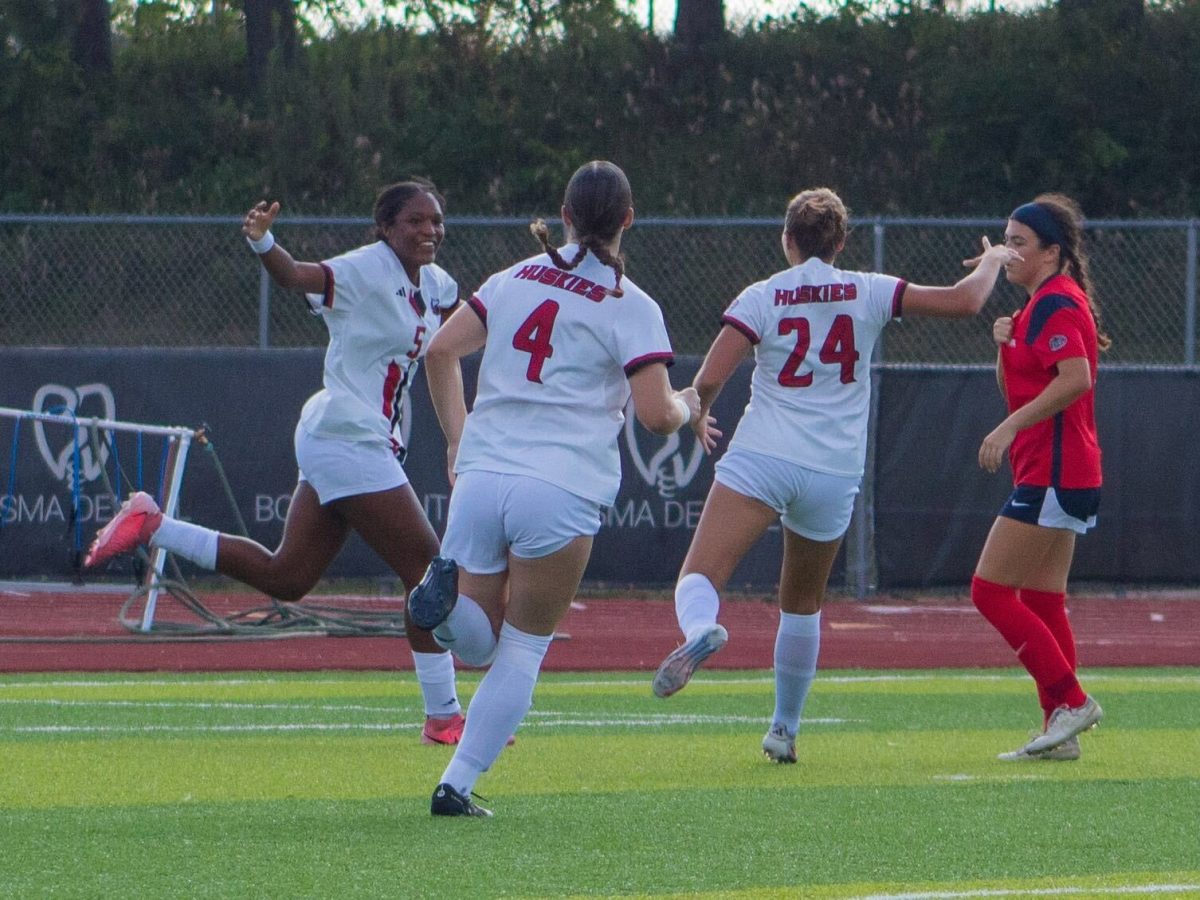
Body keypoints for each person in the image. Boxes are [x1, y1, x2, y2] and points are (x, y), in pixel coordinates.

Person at [84, 180, 471, 746]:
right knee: (429, 573)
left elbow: (465, 333)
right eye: (415, 220)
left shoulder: (437, 285)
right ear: (386, 227)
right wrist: (264, 242)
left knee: (287, 577)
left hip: (350, 437)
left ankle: (156, 525)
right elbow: (295, 276)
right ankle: (444, 717)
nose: (429, 230)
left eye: (437, 220)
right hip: (347, 431)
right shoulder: (367, 268)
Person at [650, 187, 1020, 765]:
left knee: (699, 575)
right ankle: (784, 730)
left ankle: (702, 628)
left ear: (787, 239)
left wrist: (698, 414)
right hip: (833, 469)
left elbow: (711, 375)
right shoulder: (868, 288)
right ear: (842, 242)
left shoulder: (764, 294)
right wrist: (995, 259)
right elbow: (965, 302)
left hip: (765, 454)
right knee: (802, 603)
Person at [407, 160, 714, 817]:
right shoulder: (632, 304)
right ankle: (455, 784)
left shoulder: (513, 276)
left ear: (565, 213)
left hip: (483, 474)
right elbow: (658, 415)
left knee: (478, 637)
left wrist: (458, 439)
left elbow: (439, 351)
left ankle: (436, 609)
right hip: (561, 487)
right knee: (521, 646)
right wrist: (689, 403)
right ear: (629, 220)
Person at [973, 193, 1108, 762]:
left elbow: (1075, 379)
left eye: (1019, 243)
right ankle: (1061, 727)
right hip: (1057, 471)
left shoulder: (1057, 303)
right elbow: (1021, 387)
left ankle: (1073, 701)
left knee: (989, 591)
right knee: (1044, 599)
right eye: (1006, 240)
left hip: (1057, 472)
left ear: (1051, 253)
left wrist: (1004, 430)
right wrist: (1003, 349)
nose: (1008, 252)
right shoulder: (1033, 309)